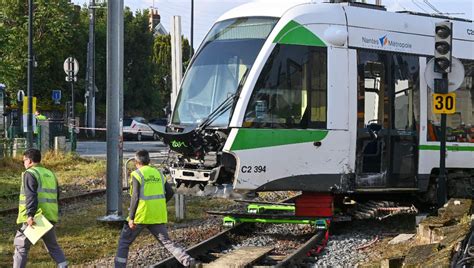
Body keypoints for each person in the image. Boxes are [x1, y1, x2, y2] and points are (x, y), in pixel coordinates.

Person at [115, 150, 196, 267]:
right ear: (149, 161)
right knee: (167, 242)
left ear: (136, 162)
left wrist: (131, 218)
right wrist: (160, 204)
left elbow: (135, 197)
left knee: (124, 242)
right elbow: (170, 192)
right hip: (157, 214)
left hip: (140, 215)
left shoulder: (137, 174)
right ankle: (188, 261)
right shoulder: (158, 173)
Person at [13, 148, 68, 268]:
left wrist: (30, 215)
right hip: (49, 216)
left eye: (24, 161)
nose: (24, 163)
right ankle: (63, 265)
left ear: (30, 161)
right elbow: (57, 195)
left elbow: (30, 195)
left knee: (21, 246)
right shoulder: (50, 174)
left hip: (36, 218)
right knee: (53, 246)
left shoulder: (30, 173)